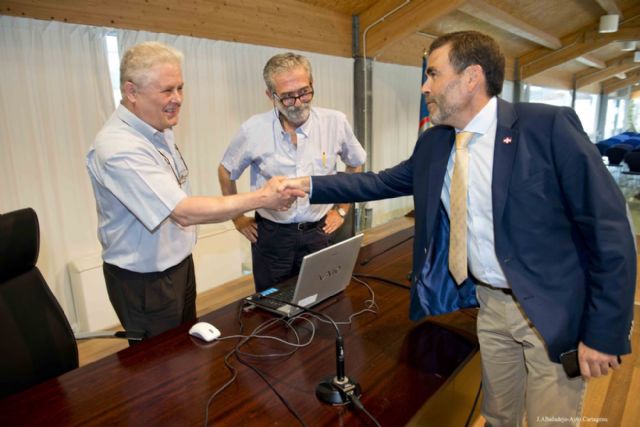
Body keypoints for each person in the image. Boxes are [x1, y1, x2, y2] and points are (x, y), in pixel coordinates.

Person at [282, 31, 636, 426]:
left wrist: (605, 332)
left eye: (433, 74)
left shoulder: (546, 127)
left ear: (471, 77)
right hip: (491, 307)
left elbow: (609, 230)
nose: (424, 85)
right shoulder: (435, 143)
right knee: (498, 416)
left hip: (552, 310)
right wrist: (304, 185)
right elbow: (378, 182)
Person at [86, 42, 301, 340]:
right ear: (132, 92)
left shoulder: (157, 127)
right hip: (146, 280)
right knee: (161, 368)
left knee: (186, 349)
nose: (177, 99)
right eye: (167, 90)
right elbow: (183, 212)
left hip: (176, 266)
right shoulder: (118, 148)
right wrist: (263, 198)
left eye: (180, 88)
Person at [218, 52, 366, 292]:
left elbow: (355, 162)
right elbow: (226, 171)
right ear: (270, 96)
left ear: (312, 84)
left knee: (321, 298)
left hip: (320, 233)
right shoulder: (253, 130)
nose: (298, 102)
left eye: (304, 92)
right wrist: (237, 217)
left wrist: (342, 208)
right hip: (272, 237)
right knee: (271, 305)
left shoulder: (335, 122)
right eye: (287, 97)